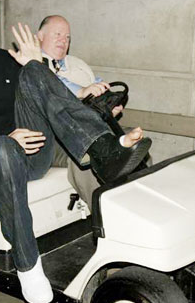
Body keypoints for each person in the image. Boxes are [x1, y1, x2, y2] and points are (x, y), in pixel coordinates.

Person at [0, 0, 150, 303]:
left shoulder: (1, 58)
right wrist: (7, 136)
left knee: (33, 70)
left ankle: (102, 147)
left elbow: (42, 99)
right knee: (2, 147)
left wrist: (36, 63)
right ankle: (28, 264)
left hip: (28, 152)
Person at [38, 15, 129, 207]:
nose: (63, 41)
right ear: (40, 36)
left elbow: (98, 87)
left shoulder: (77, 65)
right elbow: (54, 89)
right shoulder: (32, 65)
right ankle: (105, 216)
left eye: (67, 37)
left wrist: (108, 107)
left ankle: (138, 204)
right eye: (58, 34)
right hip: (51, 139)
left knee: (131, 147)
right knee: (88, 157)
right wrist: (82, 92)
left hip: (90, 129)